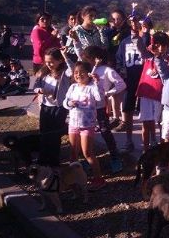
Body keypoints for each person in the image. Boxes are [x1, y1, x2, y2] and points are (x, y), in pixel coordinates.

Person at [76, 46, 126, 174]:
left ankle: (115, 157)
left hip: (100, 107)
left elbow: (121, 84)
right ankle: (88, 158)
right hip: (86, 108)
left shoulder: (107, 70)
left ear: (95, 58)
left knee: (105, 131)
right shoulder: (86, 69)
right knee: (86, 133)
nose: (85, 60)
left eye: (87, 58)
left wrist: (108, 93)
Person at [63, 60, 107, 190]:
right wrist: (70, 104)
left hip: (87, 125)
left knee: (87, 152)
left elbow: (100, 98)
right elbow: (65, 102)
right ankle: (74, 178)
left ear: (88, 74)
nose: (78, 75)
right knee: (73, 153)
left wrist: (97, 82)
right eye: (76, 72)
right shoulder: (73, 87)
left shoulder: (92, 87)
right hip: (73, 124)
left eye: (82, 72)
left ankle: (98, 179)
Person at [32, 48, 71, 168]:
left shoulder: (65, 73)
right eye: (46, 61)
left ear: (60, 60)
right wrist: (39, 90)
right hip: (45, 106)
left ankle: (54, 160)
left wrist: (66, 56)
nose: (48, 64)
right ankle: (43, 159)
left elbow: (73, 69)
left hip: (58, 108)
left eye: (51, 62)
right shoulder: (43, 71)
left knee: (54, 135)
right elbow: (35, 85)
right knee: (44, 134)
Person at [113, 14, 146, 149]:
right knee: (128, 109)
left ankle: (147, 141)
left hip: (145, 80)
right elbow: (119, 60)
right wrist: (122, 70)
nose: (134, 26)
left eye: (136, 23)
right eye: (131, 23)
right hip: (129, 80)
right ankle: (129, 139)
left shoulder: (146, 40)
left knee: (145, 112)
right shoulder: (124, 42)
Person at [136, 30, 169, 150]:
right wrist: (139, 33)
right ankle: (146, 150)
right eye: (157, 45)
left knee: (161, 124)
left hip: (161, 96)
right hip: (146, 94)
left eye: (163, 45)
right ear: (152, 45)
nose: (160, 48)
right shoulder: (147, 56)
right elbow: (139, 45)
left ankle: (162, 151)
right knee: (146, 123)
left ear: (167, 46)